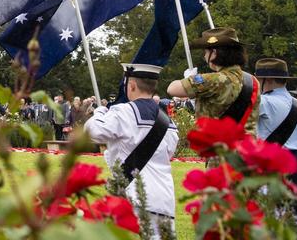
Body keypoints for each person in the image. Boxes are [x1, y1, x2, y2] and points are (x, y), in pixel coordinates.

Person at [85, 64, 179, 237]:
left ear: (132, 85)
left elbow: (93, 132)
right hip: (164, 199)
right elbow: (167, 154)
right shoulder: (168, 121)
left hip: (134, 196)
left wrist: (98, 113)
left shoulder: (123, 111)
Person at [166, 28, 259, 135]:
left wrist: (190, 78)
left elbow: (172, 89)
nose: (204, 56)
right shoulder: (253, 81)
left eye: (206, 52)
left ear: (214, 53)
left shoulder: (215, 79)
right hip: (246, 147)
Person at [253, 58, 297, 188]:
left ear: (267, 80)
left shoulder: (264, 102)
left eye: (258, 79)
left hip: (277, 163)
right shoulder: (295, 102)